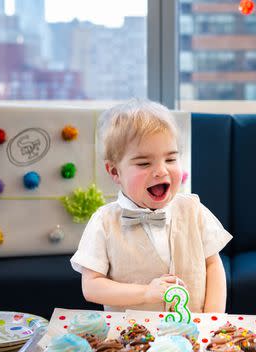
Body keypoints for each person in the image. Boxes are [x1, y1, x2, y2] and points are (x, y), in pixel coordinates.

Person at [70, 99, 232, 313]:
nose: (161, 171)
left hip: (193, 335)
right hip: (130, 340)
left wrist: (212, 319)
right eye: (144, 163)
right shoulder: (104, 221)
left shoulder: (193, 209)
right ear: (115, 172)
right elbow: (91, 286)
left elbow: (213, 265)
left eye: (171, 159)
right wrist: (146, 292)